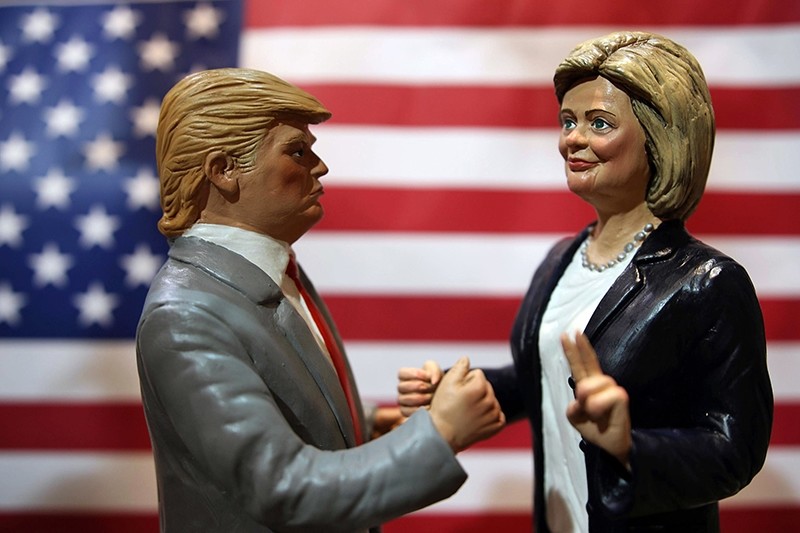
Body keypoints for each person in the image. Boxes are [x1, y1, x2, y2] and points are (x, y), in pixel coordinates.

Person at [398, 31, 772, 532]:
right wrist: (459, 387)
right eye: (567, 121)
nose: (572, 139)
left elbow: (736, 449)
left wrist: (628, 447)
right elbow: (545, 375)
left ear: (663, 137)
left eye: (599, 123)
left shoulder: (707, 283)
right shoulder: (562, 258)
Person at [135, 67, 505, 533]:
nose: (320, 166)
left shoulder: (270, 275)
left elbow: (281, 401)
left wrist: (376, 423)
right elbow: (283, 486)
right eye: (296, 151)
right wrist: (440, 433)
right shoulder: (186, 316)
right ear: (224, 170)